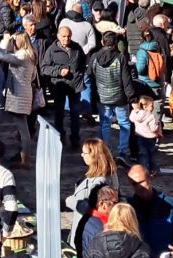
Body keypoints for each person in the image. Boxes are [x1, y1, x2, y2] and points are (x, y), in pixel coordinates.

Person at [89, 31, 135, 166]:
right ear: (115, 44)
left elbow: (89, 74)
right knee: (124, 123)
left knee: (104, 123)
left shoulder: (95, 57)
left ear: (102, 42)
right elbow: (126, 80)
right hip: (120, 97)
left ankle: (104, 151)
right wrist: (131, 96)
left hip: (102, 96)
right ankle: (122, 152)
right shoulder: (120, 58)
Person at [65, 138, 118, 246]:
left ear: (94, 156)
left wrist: (70, 201)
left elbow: (91, 208)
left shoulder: (101, 181)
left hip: (88, 234)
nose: (82, 155)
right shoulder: (108, 173)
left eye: (84, 153)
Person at [41, 25, 87, 147]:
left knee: (75, 113)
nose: (66, 39)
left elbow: (83, 61)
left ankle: (75, 137)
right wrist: (58, 71)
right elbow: (44, 68)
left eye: (69, 37)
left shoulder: (76, 47)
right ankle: (60, 135)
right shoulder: (52, 50)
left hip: (74, 85)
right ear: (58, 36)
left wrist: (80, 73)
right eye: (64, 36)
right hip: (59, 86)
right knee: (59, 112)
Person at [0, 31, 37, 167]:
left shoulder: (22, 56)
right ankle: (22, 155)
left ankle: (25, 159)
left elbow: (1, 55)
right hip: (25, 93)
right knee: (22, 127)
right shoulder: (31, 54)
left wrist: (5, 40)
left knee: (23, 129)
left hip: (19, 95)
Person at [129, 96, 162, 175]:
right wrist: (158, 126)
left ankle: (144, 170)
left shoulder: (136, 115)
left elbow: (131, 118)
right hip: (151, 138)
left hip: (140, 137)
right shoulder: (151, 116)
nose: (153, 107)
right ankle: (153, 169)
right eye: (152, 106)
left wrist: (135, 111)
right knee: (152, 155)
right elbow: (153, 129)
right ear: (145, 106)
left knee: (143, 154)